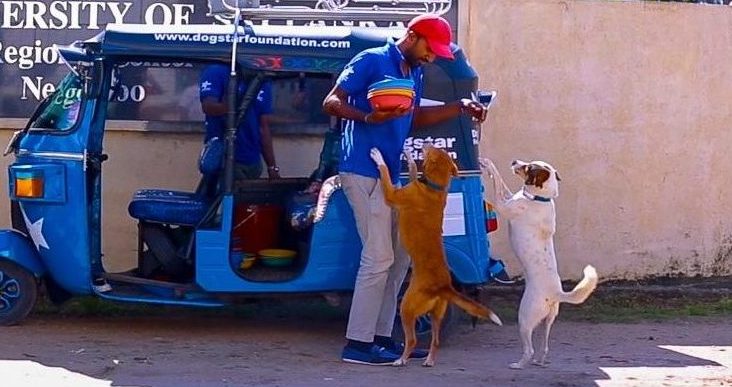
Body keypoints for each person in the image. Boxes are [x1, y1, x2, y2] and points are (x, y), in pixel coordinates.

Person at [322, 13, 489, 365]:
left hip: (390, 175)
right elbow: (331, 102)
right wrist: (368, 117)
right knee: (379, 256)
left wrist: (460, 107)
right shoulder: (372, 60)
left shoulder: (413, 71)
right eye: (431, 48)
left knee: (400, 259)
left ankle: (381, 338)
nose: (433, 57)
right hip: (362, 171)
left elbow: (411, 119)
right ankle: (357, 344)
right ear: (412, 37)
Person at [199, 63, 281, 180]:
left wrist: (272, 167)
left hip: (253, 161)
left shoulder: (263, 80)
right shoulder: (217, 71)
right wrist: (233, 104)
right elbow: (208, 107)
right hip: (225, 158)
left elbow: (264, 126)